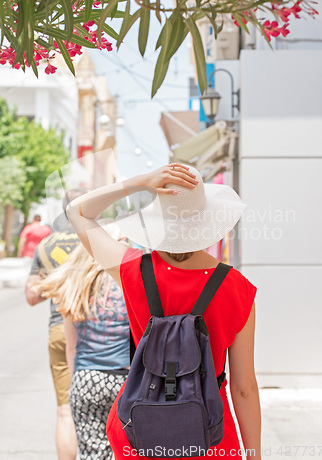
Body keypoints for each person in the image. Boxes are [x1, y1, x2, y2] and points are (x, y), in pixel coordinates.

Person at [66, 164, 261, 460]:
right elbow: (243, 387)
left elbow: (77, 212)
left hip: (140, 424)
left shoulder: (132, 269)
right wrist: (254, 454)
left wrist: (139, 182)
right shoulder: (237, 287)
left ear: (158, 221)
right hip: (209, 431)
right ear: (208, 222)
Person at [33, 242, 130, 459]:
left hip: (87, 379)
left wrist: (77, 379)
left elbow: (72, 346)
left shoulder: (75, 286)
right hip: (124, 380)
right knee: (127, 451)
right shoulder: (126, 284)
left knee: (92, 452)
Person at [25, 189, 86, 460]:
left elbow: (32, 295)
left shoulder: (46, 246)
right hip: (101, 334)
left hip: (59, 327)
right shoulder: (100, 239)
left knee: (65, 411)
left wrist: (57, 281)